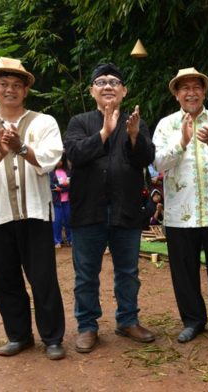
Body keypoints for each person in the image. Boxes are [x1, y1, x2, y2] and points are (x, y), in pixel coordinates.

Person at [0, 57, 66, 359]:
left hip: (36, 213)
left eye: (16, 85)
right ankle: (19, 335)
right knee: (4, 279)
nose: (10, 89)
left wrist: (22, 148)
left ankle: (52, 338)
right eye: (3, 84)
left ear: (26, 90)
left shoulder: (44, 122)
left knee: (43, 278)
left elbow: (50, 160)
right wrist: (0, 151)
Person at [65, 63, 156, 353]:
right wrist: (104, 132)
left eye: (114, 82)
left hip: (126, 210)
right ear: (92, 90)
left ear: (124, 91)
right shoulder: (79, 122)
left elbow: (145, 158)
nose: (107, 86)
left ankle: (128, 320)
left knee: (128, 272)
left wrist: (132, 136)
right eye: (101, 81)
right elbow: (75, 155)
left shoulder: (136, 122)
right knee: (86, 274)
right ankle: (87, 326)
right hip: (88, 210)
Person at [153, 67, 208, 343]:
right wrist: (182, 142)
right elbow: (157, 163)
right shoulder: (166, 125)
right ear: (177, 94)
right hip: (180, 214)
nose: (191, 92)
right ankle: (193, 321)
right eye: (185, 88)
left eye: (196, 87)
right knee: (184, 271)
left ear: (204, 91)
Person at [50, 154, 72, 248]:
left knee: (69, 221)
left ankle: (70, 239)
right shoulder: (51, 172)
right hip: (57, 201)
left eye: (60, 160)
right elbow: (51, 186)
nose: (59, 162)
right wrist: (63, 185)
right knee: (57, 222)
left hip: (67, 200)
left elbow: (71, 185)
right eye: (57, 160)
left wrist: (61, 188)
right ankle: (57, 241)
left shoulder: (68, 171)